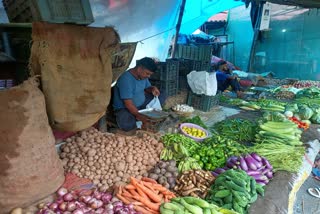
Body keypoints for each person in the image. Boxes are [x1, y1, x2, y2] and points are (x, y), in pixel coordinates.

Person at [112, 57, 166, 133]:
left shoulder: (143, 76)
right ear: (139, 68)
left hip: (141, 103)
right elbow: (128, 104)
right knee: (128, 125)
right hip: (125, 108)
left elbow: (147, 88)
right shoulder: (126, 79)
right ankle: (137, 116)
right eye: (147, 73)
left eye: (150, 74)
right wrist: (139, 116)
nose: (148, 76)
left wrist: (152, 88)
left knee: (162, 93)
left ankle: (141, 113)